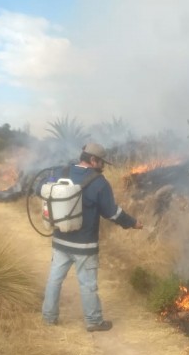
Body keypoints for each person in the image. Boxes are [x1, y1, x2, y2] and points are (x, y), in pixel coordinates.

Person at [42, 142, 143, 332]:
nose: (103, 166)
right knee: (87, 284)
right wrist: (132, 223)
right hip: (84, 246)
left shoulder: (62, 171)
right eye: (101, 162)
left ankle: (49, 317)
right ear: (93, 160)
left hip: (60, 240)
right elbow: (111, 212)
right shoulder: (99, 182)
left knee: (54, 279)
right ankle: (94, 321)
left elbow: (44, 189)